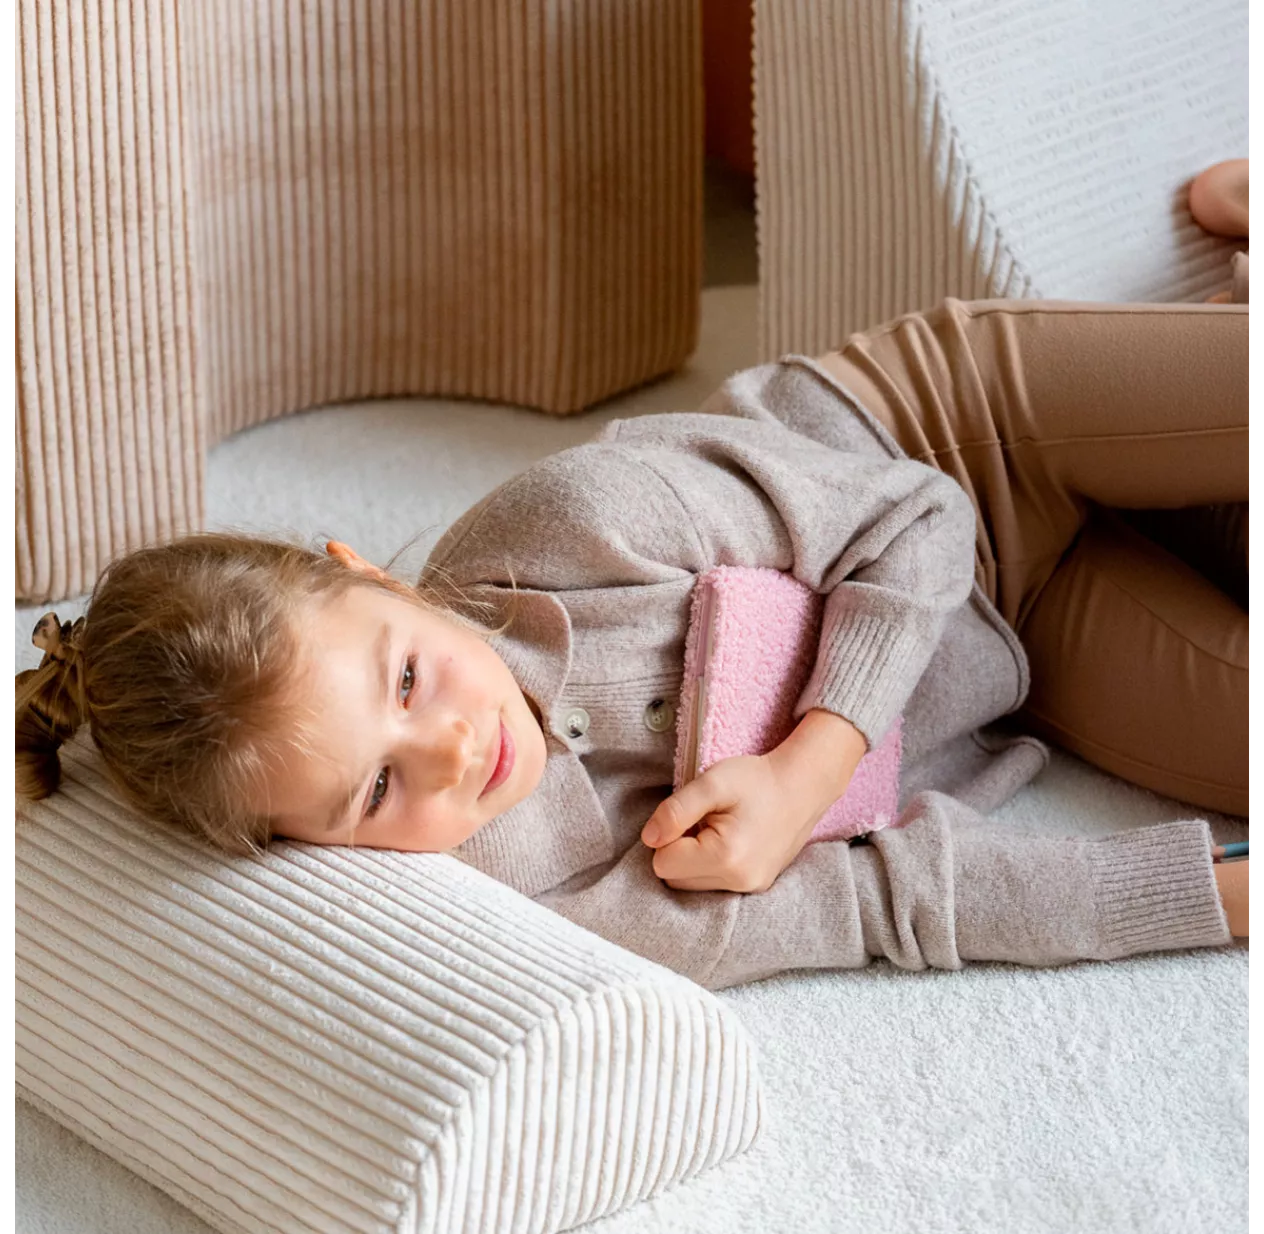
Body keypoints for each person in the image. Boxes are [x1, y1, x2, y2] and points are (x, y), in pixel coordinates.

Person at [13, 297, 1252, 991]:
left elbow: (914, 512)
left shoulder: (572, 523)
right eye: (376, 789)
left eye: (408, 676)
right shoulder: (541, 892)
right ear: (314, 850)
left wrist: (808, 767)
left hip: (953, 431)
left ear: (372, 574)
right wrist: (1215, 897)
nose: (452, 751)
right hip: (1019, 637)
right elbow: (883, 899)